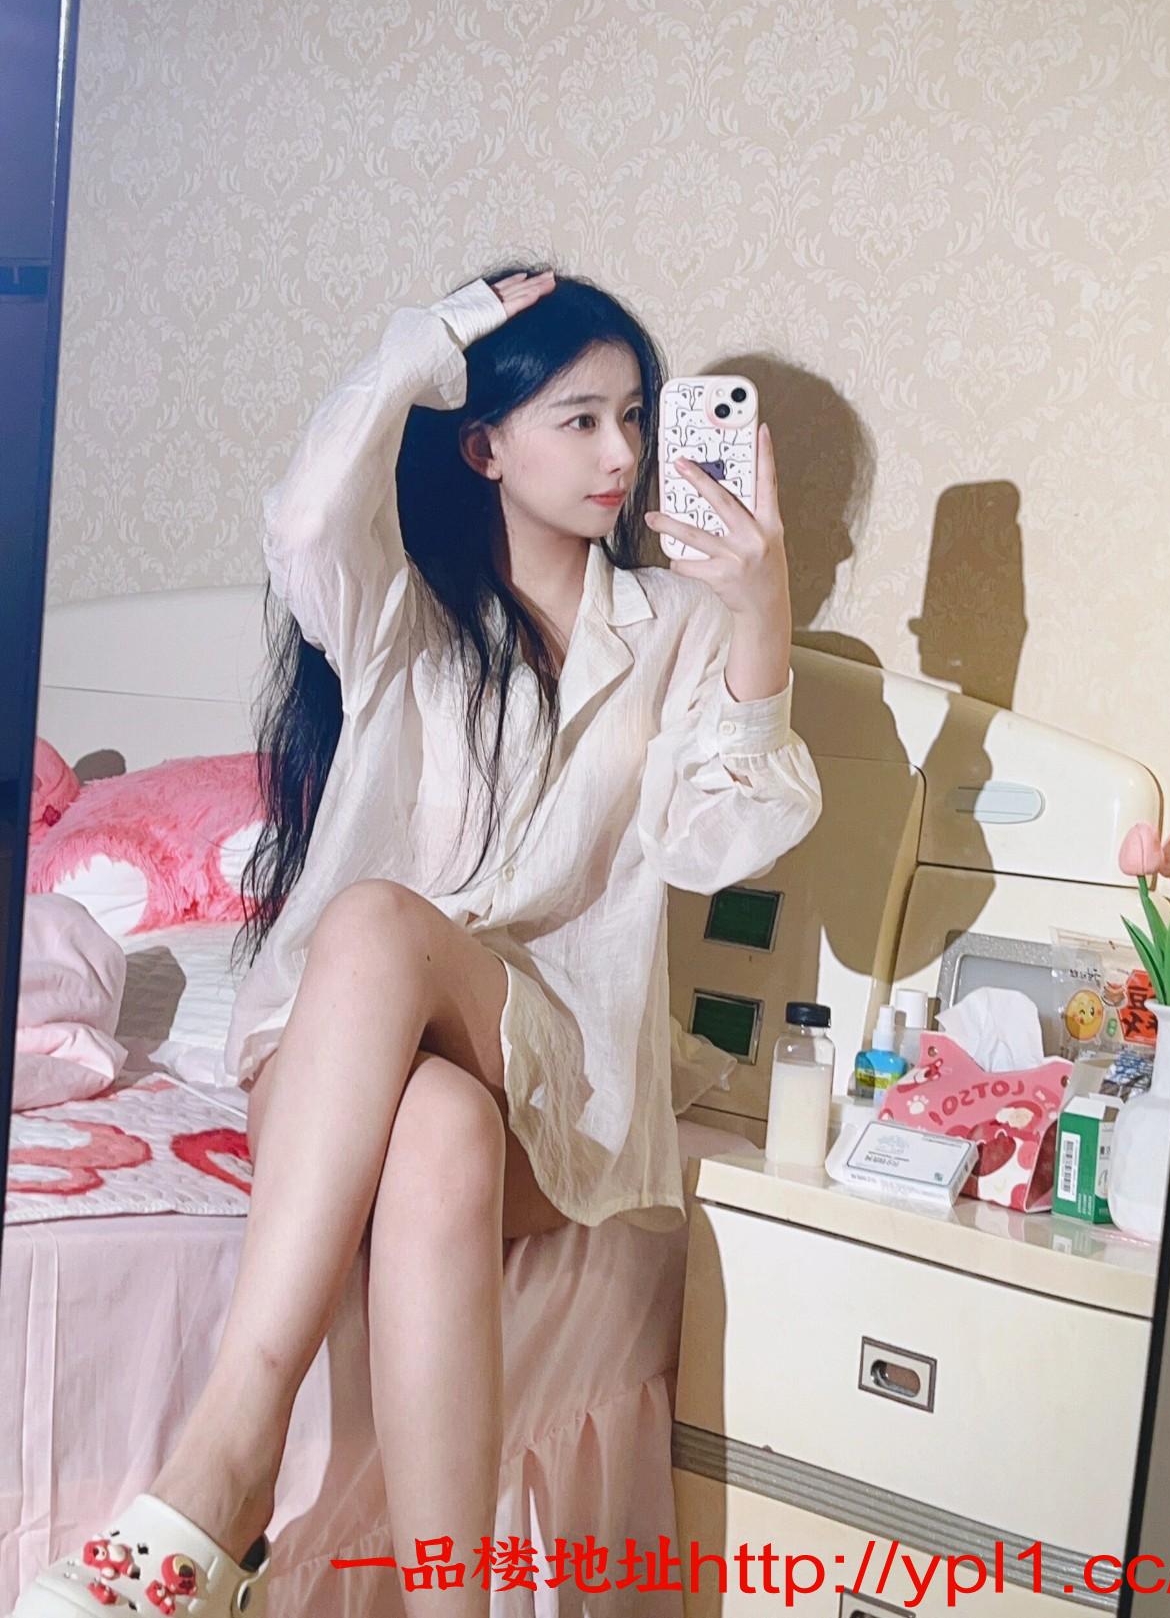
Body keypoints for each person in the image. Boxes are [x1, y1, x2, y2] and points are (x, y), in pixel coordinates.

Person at [15, 266, 821, 1617]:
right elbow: (305, 513)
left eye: (636, 416)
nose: (622, 453)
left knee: (380, 923)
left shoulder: (678, 627)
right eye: (580, 419)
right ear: (483, 444)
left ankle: (226, 1464)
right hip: (348, 1055)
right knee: (433, 1124)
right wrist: (432, 337)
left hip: (554, 1083)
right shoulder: (398, 603)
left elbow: (717, 845)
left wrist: (762, 603)